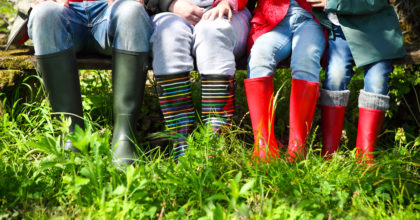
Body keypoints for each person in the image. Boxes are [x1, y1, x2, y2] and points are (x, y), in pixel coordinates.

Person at [28, 0, 153, 165]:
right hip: (62, 12)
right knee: (44, 13)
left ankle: (124, 137)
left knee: (132, 10)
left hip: (113, 11)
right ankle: (72, 137)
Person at [150, 0, 251, 158]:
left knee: (215, 30)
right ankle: (181, 144)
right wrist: (169, 4)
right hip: (170, 12)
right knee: (168, 35)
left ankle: (215, 144)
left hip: (228, 12)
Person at [308, 0, 406, 163]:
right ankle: (328, 153)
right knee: (335, 75)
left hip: (376, 31)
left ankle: (365, 155)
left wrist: (334, 3)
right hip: (340, 32)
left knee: (376, 80)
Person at [243, 0, 325, 161]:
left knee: (305, 60)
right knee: (259, 56)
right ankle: (264, 146)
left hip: (312, 19)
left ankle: (297, 147)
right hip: (274, 19)